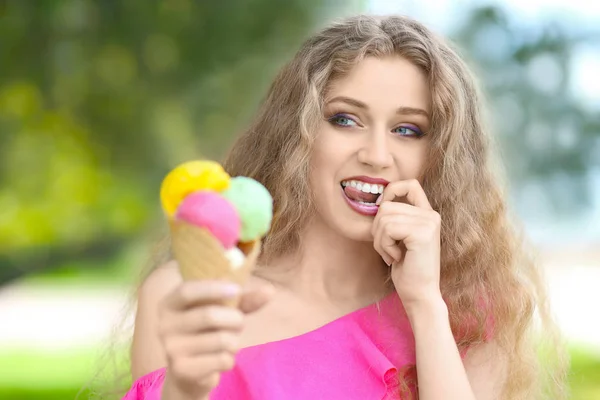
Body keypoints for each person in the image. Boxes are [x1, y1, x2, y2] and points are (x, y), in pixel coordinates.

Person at [121, 14, 567, 400]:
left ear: (442, 157)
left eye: (408, 130)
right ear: (297, 134)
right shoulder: (184, 293)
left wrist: (425, 305)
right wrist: (184, 389)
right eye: (345, 119)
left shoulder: (469, 316)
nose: (376, 153)